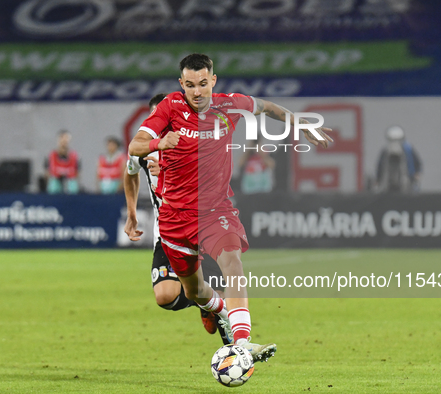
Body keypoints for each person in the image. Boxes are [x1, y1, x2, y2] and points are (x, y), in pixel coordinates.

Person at [128, 53, 333, 362]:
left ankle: (242, 341)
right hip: (174, 219)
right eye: (190, 85)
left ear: (213, 81)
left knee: (232, 261)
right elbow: (135, 145)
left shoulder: (229, 105)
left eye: (203, 83)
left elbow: (266, 107)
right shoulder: (170, 107)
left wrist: (299, 122)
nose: (197, 91)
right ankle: (219, 311)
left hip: (215, 212)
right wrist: (159, 142)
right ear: (181, 84)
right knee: (195, 292)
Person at [124, 93, 230, 345]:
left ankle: (236, 354)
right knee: (165, 296)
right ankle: (206, 306)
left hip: (202, 228)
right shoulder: (143, 150)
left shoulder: (195, 145)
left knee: (222, 296)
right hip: (168, 233)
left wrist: (170, 172)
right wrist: (131, 214)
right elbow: (130, 174)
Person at [375, 126, 422, 193]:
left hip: (406, 183)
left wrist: (416, 175)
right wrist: (378, 180)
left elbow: (417, 163)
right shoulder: (385, 152)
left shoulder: (408, 150)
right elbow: (380, 166)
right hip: (387, 186)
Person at [45, 130, 80, 194]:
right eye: (62, 138)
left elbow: (77, 172)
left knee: (73, 184)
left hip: (70, 184)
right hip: (55, 185)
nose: (64, 141)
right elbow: (47, 172)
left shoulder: (74, 156)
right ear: (58, 140)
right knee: (53, 184)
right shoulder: (51, 156)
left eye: (66, 138)